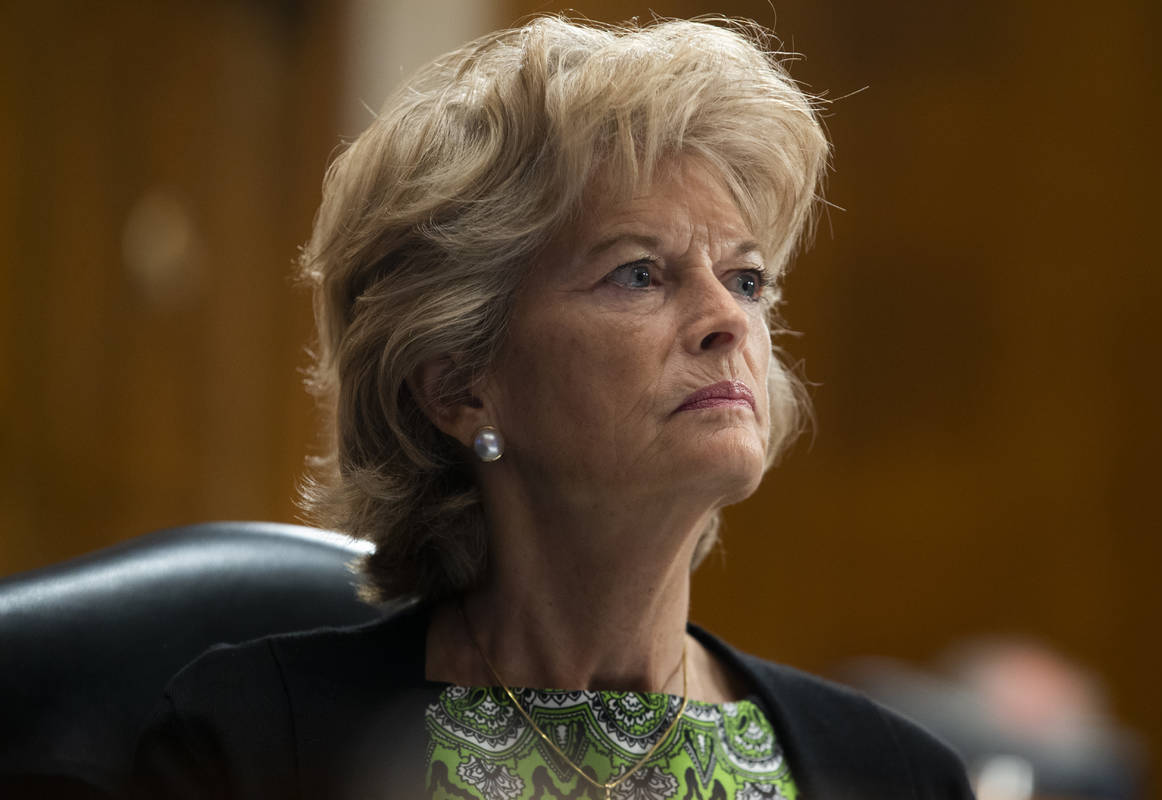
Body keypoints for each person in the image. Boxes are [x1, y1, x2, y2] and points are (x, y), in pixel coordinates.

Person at [132, 15, 974, 800]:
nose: (728, 320)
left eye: (746, 279)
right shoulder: (251, 742)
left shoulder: (897, 776)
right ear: (459, 384)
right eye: (639, 273)